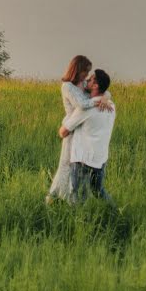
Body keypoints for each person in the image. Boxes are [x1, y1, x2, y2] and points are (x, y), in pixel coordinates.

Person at [46, 56, 112, 203]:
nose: (87, 75)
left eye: (89, 72)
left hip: (83, 127)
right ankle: (54, 197)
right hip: (72, 127)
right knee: (66, 165)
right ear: (77, 70)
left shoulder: (83, 83)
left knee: (79, 166)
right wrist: (98, 100)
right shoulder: (67, 86)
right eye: (85, 71)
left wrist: (105, 97)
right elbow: (82, 104)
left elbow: (102, 89)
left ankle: (75, 198)